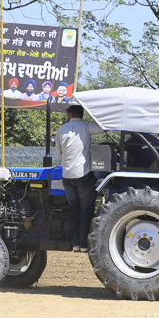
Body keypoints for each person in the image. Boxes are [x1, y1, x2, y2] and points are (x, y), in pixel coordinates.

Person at [54, 104, 104, 251]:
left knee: (73, 209)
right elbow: (102, 127)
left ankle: (74, 244)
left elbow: (59, 154)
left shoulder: (61, 129)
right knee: (86, 209)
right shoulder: (87, 126)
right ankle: (84, 244)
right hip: (82, 175)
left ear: (70, 115)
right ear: (81, 115)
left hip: (66, 176)